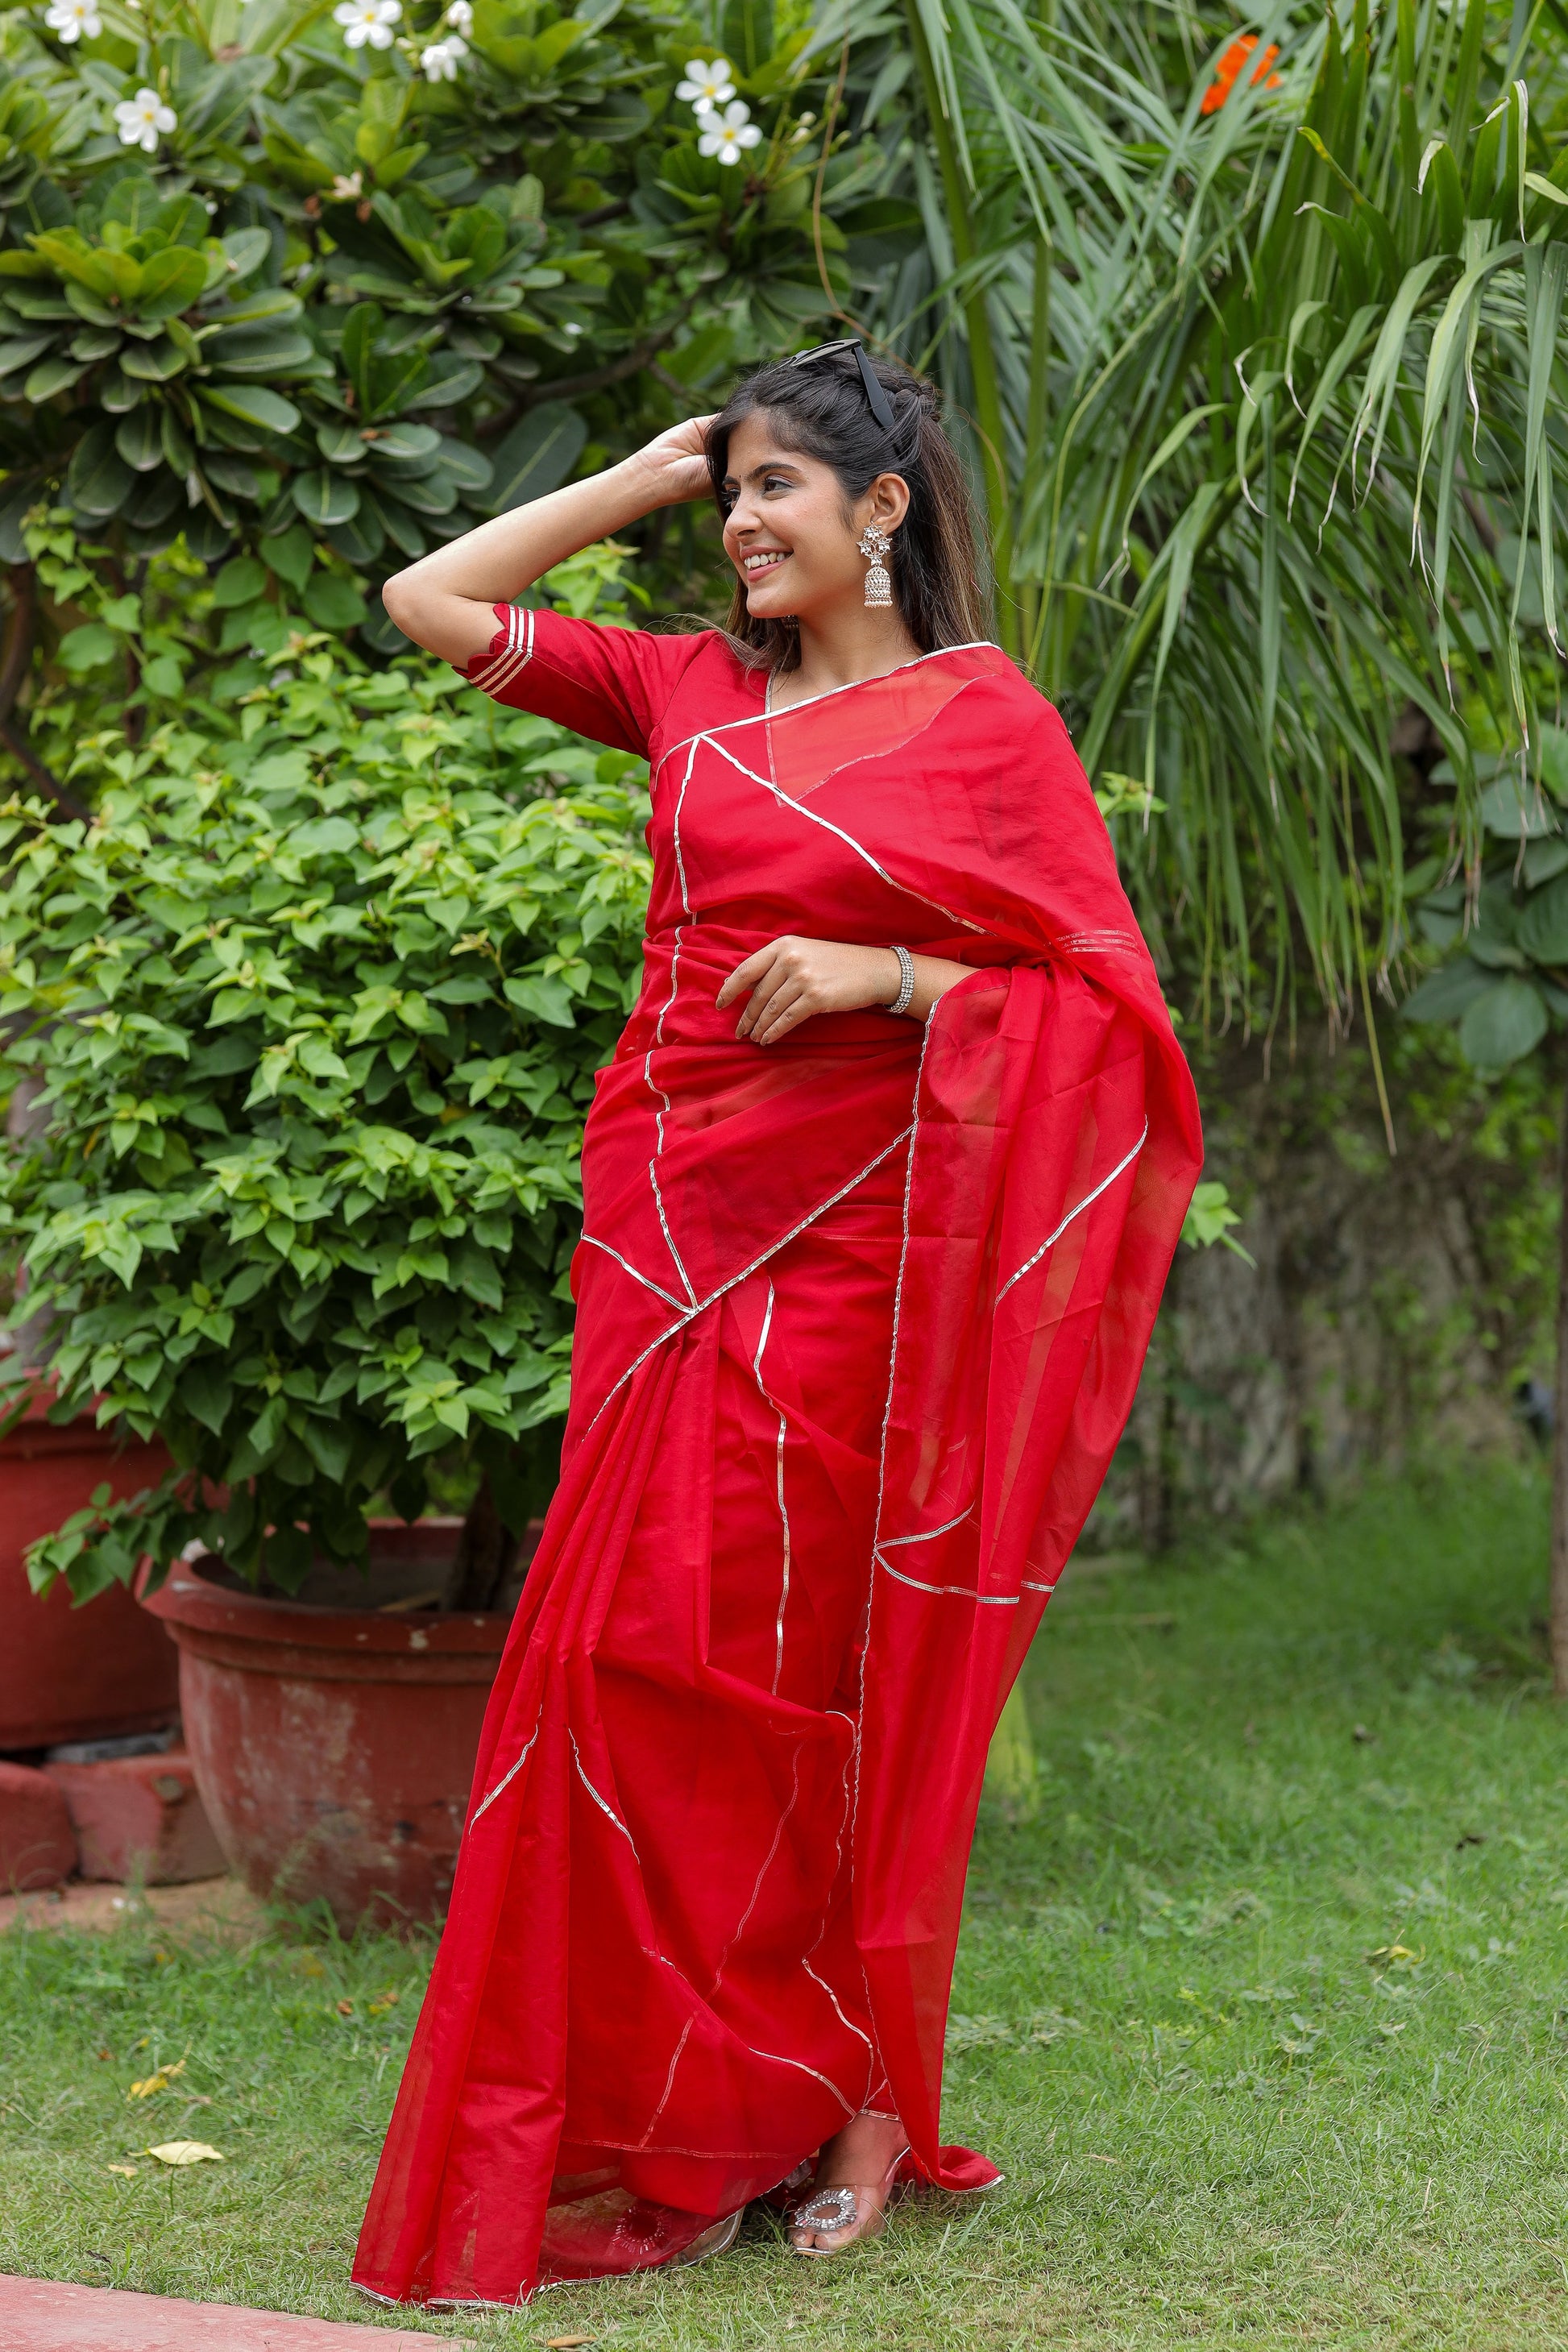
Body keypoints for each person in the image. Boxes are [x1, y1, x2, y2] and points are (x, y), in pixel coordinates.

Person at [352, 342, 1203, 2308]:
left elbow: (1106, 1012)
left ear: (881, 511)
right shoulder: (688, 690)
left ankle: (855, 2104)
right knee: (634, 1663)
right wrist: (650, 475)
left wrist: (893, 971)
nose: (745, 520)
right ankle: (682, 2107)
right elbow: (431, 601)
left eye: (779, 489)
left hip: (858, 1257)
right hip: (663, 1228)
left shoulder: (983, 723)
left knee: (819, 1666)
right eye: (731, 489)